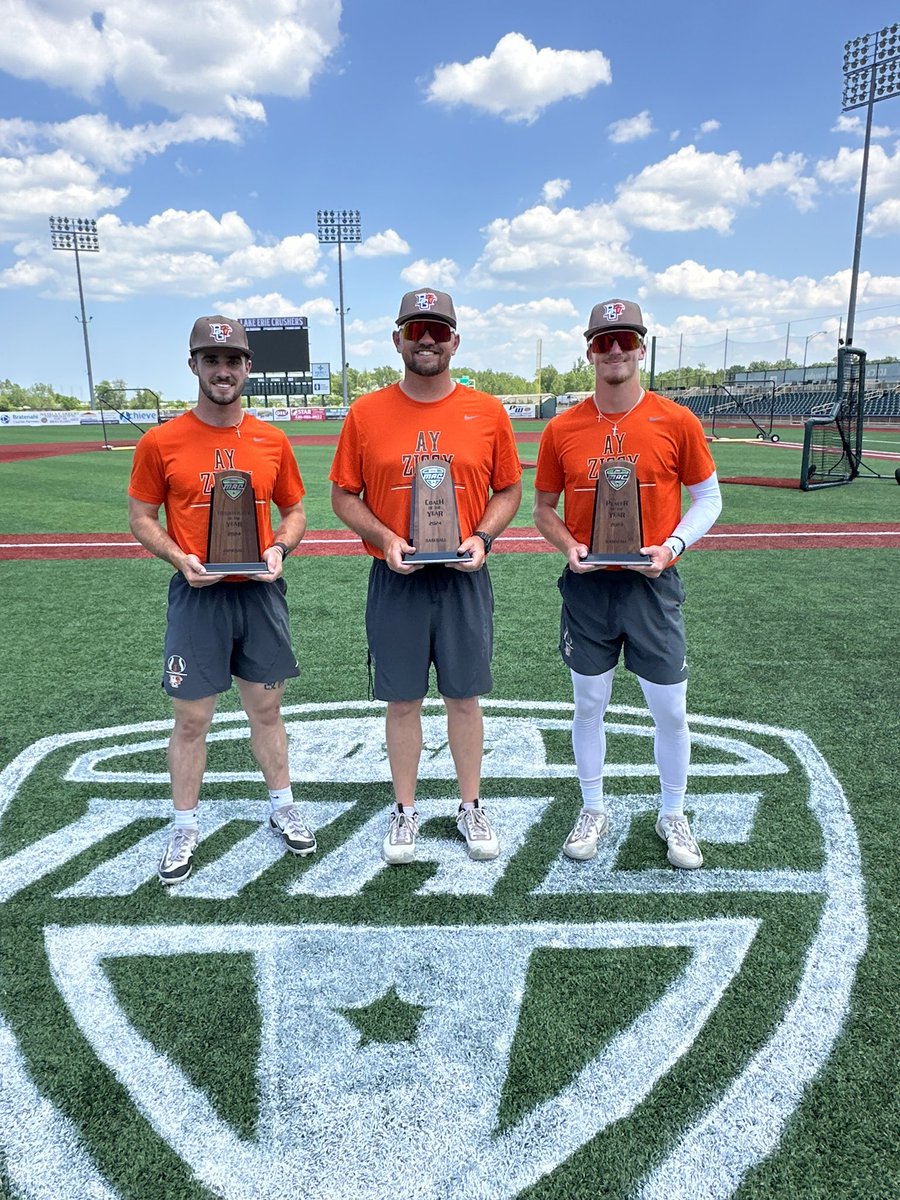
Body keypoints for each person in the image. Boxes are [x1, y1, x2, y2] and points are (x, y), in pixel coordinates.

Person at [330, 289, 522, 865]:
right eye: (416, 330)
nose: (427, 339)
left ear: (455, 341)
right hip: (397, 578)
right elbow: (343, 495)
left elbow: (509, 489)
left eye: (438, 330)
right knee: (403, 701)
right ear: (398, 340)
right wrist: (386, 538)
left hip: (464, 575)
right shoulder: (366, 413)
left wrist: (483, 537)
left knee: (464, 698)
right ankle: (406, 810)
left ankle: (470, 806)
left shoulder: (487, 412)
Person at [533, 299, 722, 869]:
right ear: (589, 350)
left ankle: (673, 813)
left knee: (670, 709)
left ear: (642, 346)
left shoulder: (676, 419)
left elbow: (708, 498)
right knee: (589, 703)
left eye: (625, 340)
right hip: (589, 588)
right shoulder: (563, 428)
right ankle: (593, 806)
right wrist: (569, 545)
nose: (614, 350)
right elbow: (543, 508)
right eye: (602, 341)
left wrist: (673, 547)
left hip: (651, 586)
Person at [128, 315, 316, 885]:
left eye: (233, 360)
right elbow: (141, 518)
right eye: (212, 360)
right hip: (198, 595)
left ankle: (282, 804)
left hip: (259, 594)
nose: (223, 370)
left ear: (248, 367)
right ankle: (184, 824)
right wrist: (178, 558)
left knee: (266, 709)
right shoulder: (161, 440)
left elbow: (296, 512)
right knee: (192, 718)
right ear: (194, 366)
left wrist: (281, 547)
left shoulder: (270, 438)